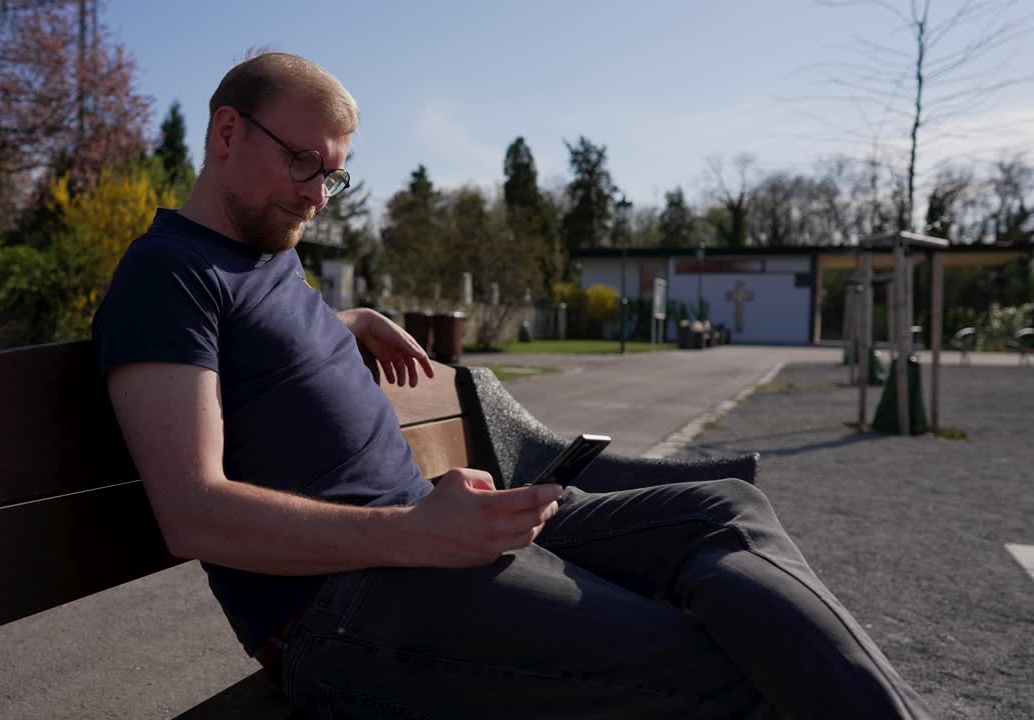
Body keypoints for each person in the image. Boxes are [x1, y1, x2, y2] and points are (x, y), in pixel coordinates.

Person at [92, 52, 934, 719]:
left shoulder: (267, 258)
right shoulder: (166, 275)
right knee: (727, 665)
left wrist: (348, 321)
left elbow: (257, 355)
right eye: (303, 163)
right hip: (343, 615)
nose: (318, 194)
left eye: (333, 175)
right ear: (227, 133)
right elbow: (192, 511)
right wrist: (417, 531)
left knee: (725, 508)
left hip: (431, 540)